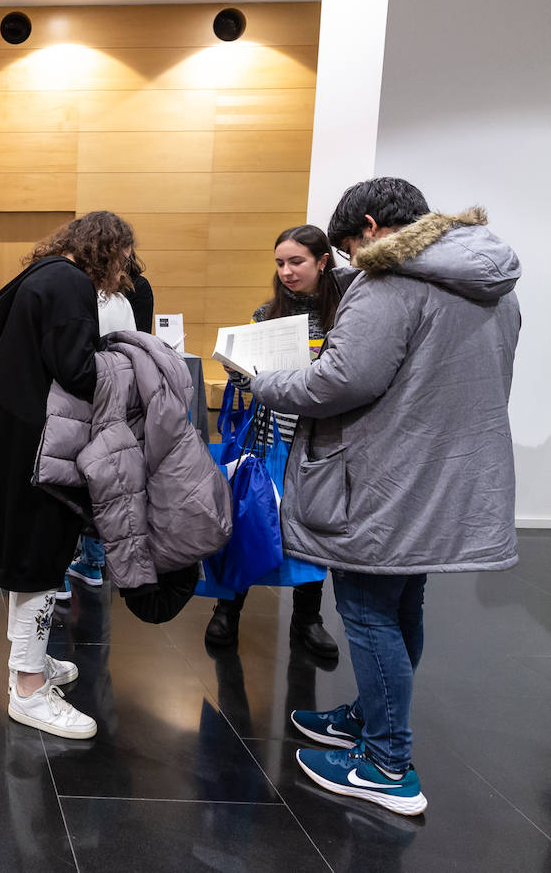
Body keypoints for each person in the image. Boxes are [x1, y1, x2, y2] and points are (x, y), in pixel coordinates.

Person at [247, 178, 520, 816]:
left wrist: (263, 382)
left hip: (383, 477)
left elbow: (338, 382)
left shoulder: (387, 280)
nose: (346, 263)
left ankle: (386, 760)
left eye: (344, 249)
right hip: (448, 475)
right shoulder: (492, 283)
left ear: (370, 226)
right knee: (402, 606)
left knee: (369, 613)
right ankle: (372, 715)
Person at [0, 211, 138, 740]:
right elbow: (77, 369)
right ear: (109, 251)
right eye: (122, 260)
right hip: (42, 445)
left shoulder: (35, 274)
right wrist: (130, 362)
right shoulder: (72, 285)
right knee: (41, 561)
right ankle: (28, 689)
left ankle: (30, 663)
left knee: (24, 553)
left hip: (11, 433)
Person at [205, 224, 358, 659]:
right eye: (280, 263)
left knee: (312, 531)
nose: (287, 272)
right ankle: (227, 609)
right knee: (248, 521)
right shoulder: (265, 314)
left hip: (318, 444)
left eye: (297, 262)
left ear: (322, 260)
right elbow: (251, 381)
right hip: (268, 438)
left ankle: (307, 619)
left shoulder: (346, 313)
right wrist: (238, 371)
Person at [55, 288, 135, 603]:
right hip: (112, 400)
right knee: (101, 481)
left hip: (71, 401)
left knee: (63, 481)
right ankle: (93, 563)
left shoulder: (69, 295)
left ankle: (58, 573)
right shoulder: (121, 301)